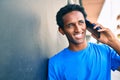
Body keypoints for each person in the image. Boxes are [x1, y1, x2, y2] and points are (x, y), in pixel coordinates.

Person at [48, 4, 120, 80]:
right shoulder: (55, 63)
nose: (78, 29)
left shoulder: (105, 51)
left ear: (87, 25)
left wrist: (112, 41)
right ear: (62, 30)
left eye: (81, 22)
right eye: (70, 25)